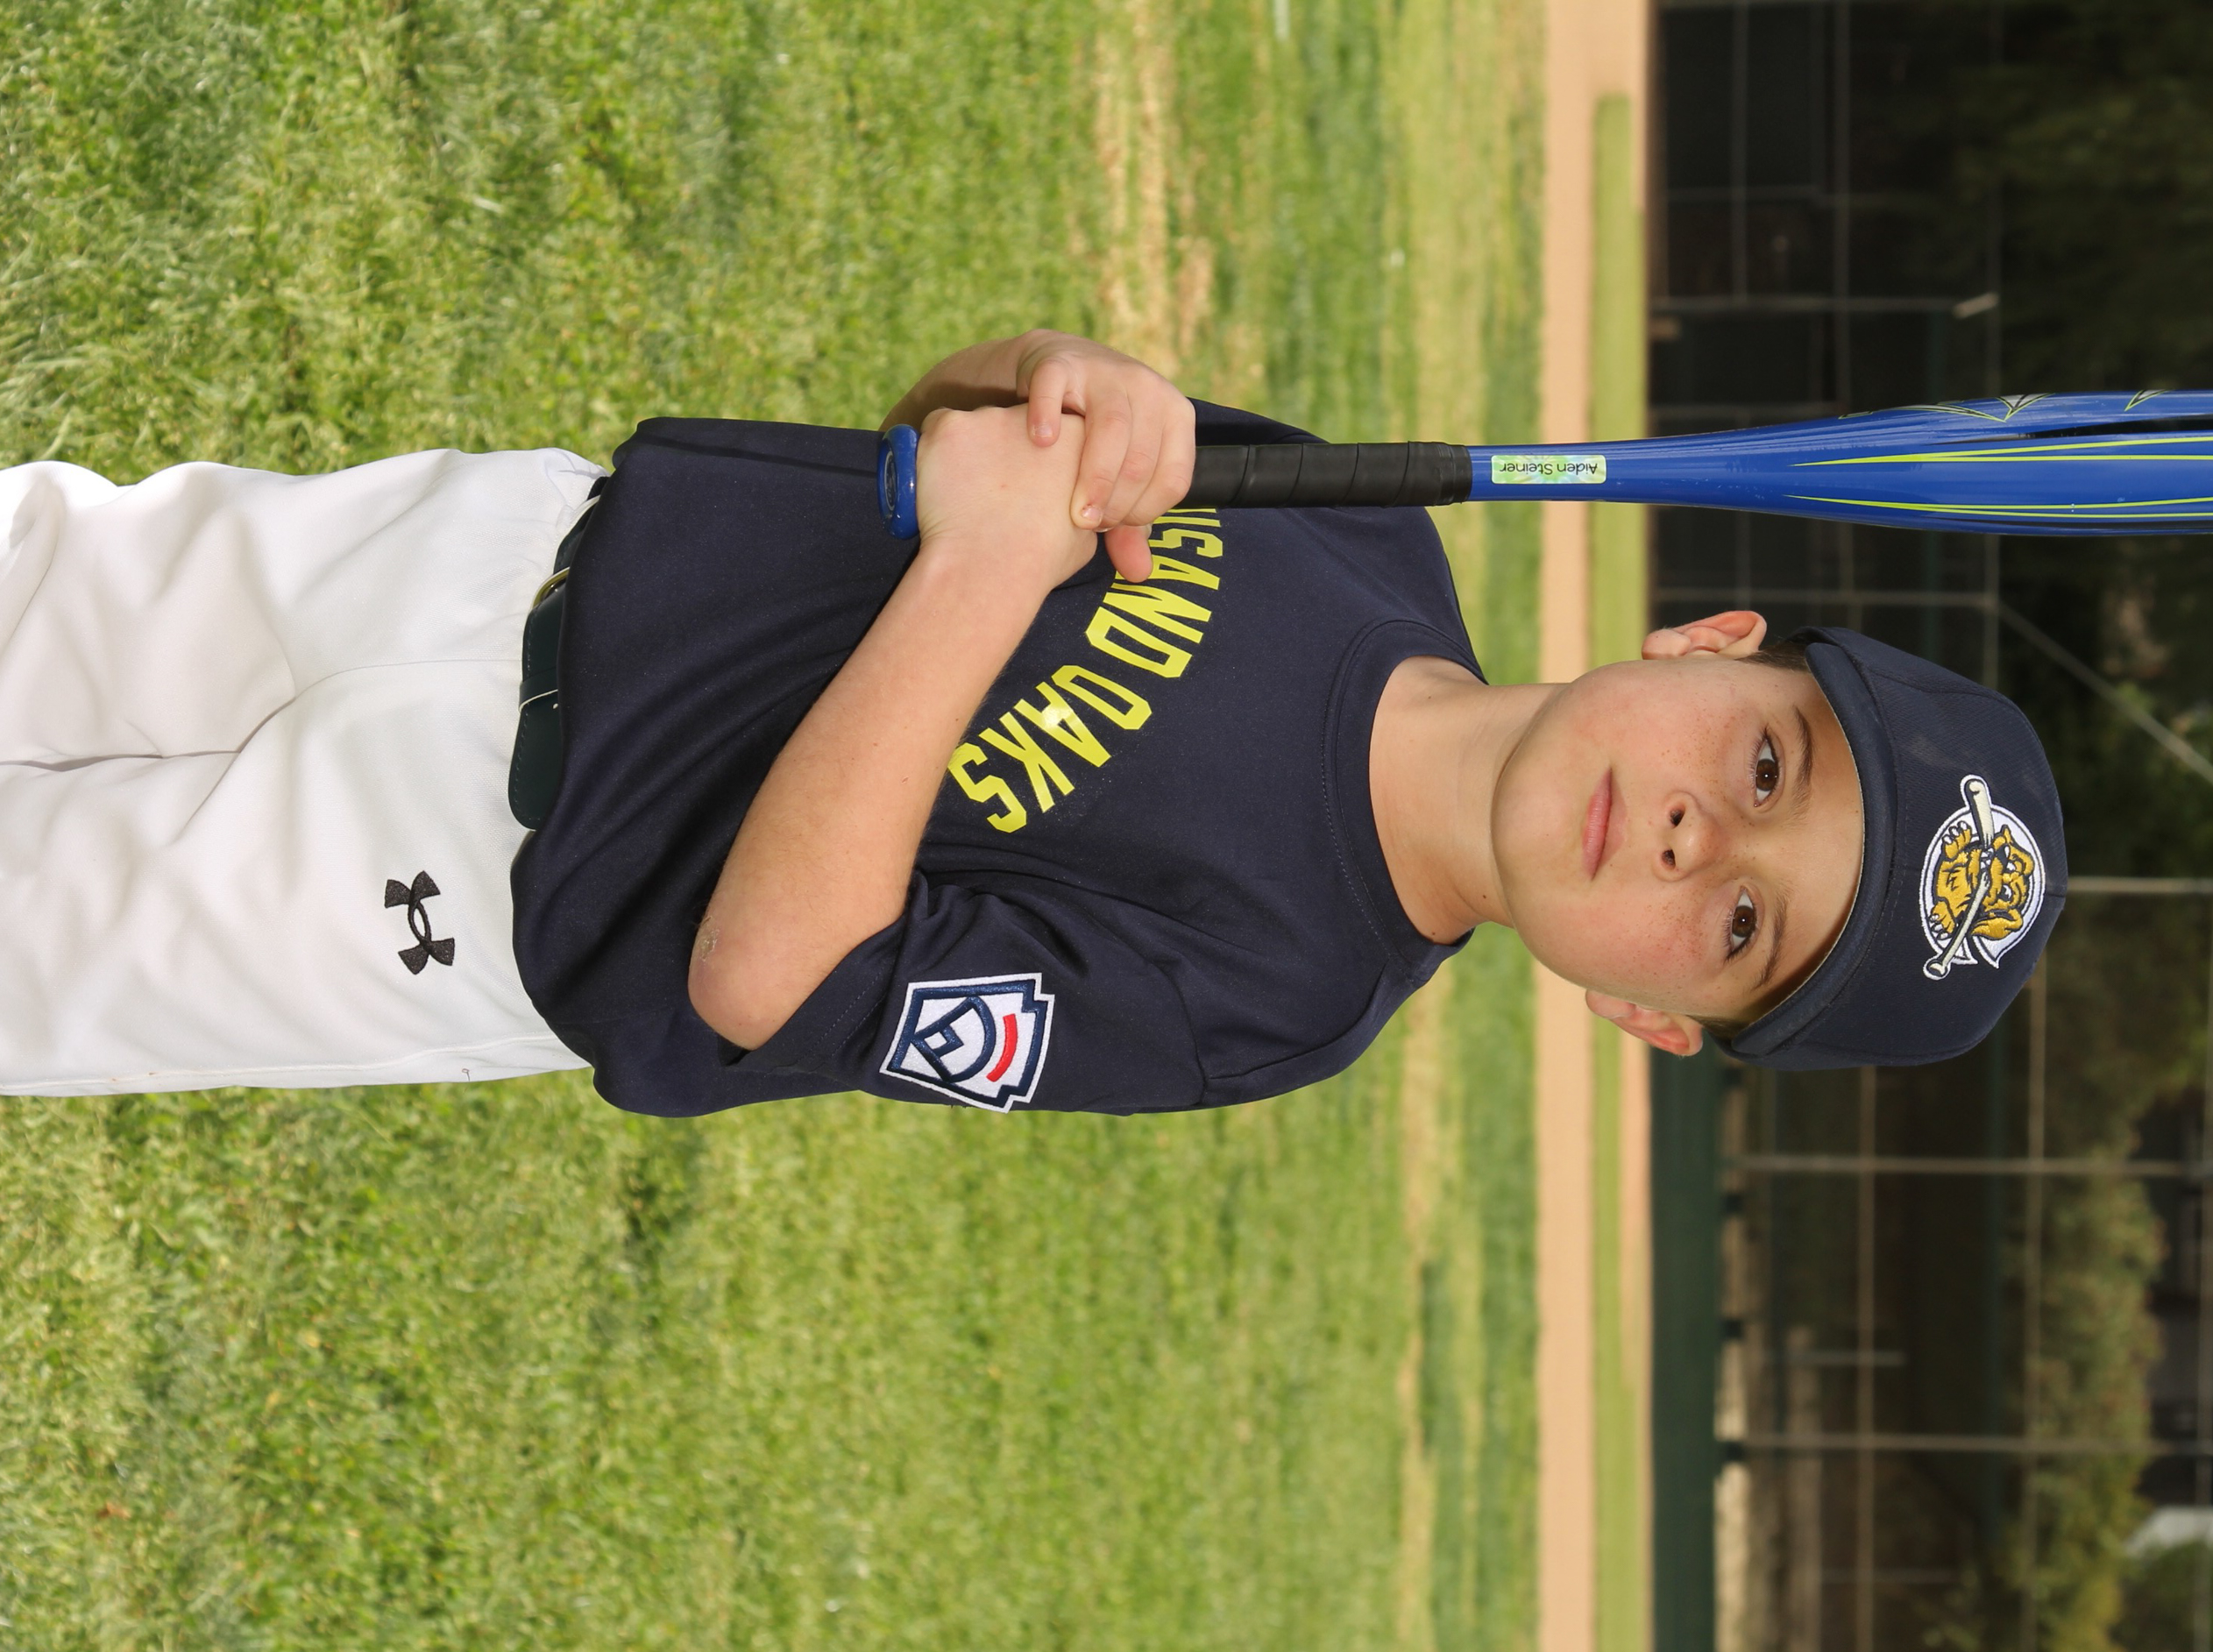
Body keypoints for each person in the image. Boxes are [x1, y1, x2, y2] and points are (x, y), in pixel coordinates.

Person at [0, 330, 2064, 1109]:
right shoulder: (1364, 541)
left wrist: (990, 572)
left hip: (447, 883)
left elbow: (764, 977)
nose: (1701, 836)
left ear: (1647, 1015)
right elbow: (942, 436)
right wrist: (1059, 384)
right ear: (1709, 643)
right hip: (496, 552)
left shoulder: (1270, 998)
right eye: (1766, 764)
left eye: (1739, 927)